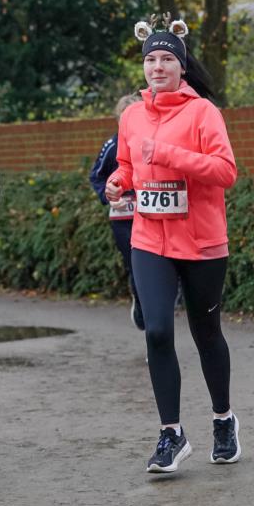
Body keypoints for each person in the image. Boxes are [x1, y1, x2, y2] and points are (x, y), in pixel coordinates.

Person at [105, 14, 240, 473]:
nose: (157, 66)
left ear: (182, 67)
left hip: (202, 242)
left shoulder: (203, 112)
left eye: (166, 59)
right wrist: (118, 182)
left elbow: (225, 172)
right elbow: (126, 164)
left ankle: (223, 420)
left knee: (206, 335)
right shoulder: (131, 116)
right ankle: (171, 433)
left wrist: (167, 155)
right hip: (149, 239)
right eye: (150, 59)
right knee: (157, 330)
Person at [89, 94, 144, 331]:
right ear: (119, 120)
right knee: (136, 265)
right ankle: (141, 303)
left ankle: (162, 302)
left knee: (156, 263)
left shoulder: (153, 142)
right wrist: (109, 196)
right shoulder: (112, 146)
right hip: (123, 219)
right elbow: (97, 176)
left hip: (152, 216)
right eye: (126, 118)